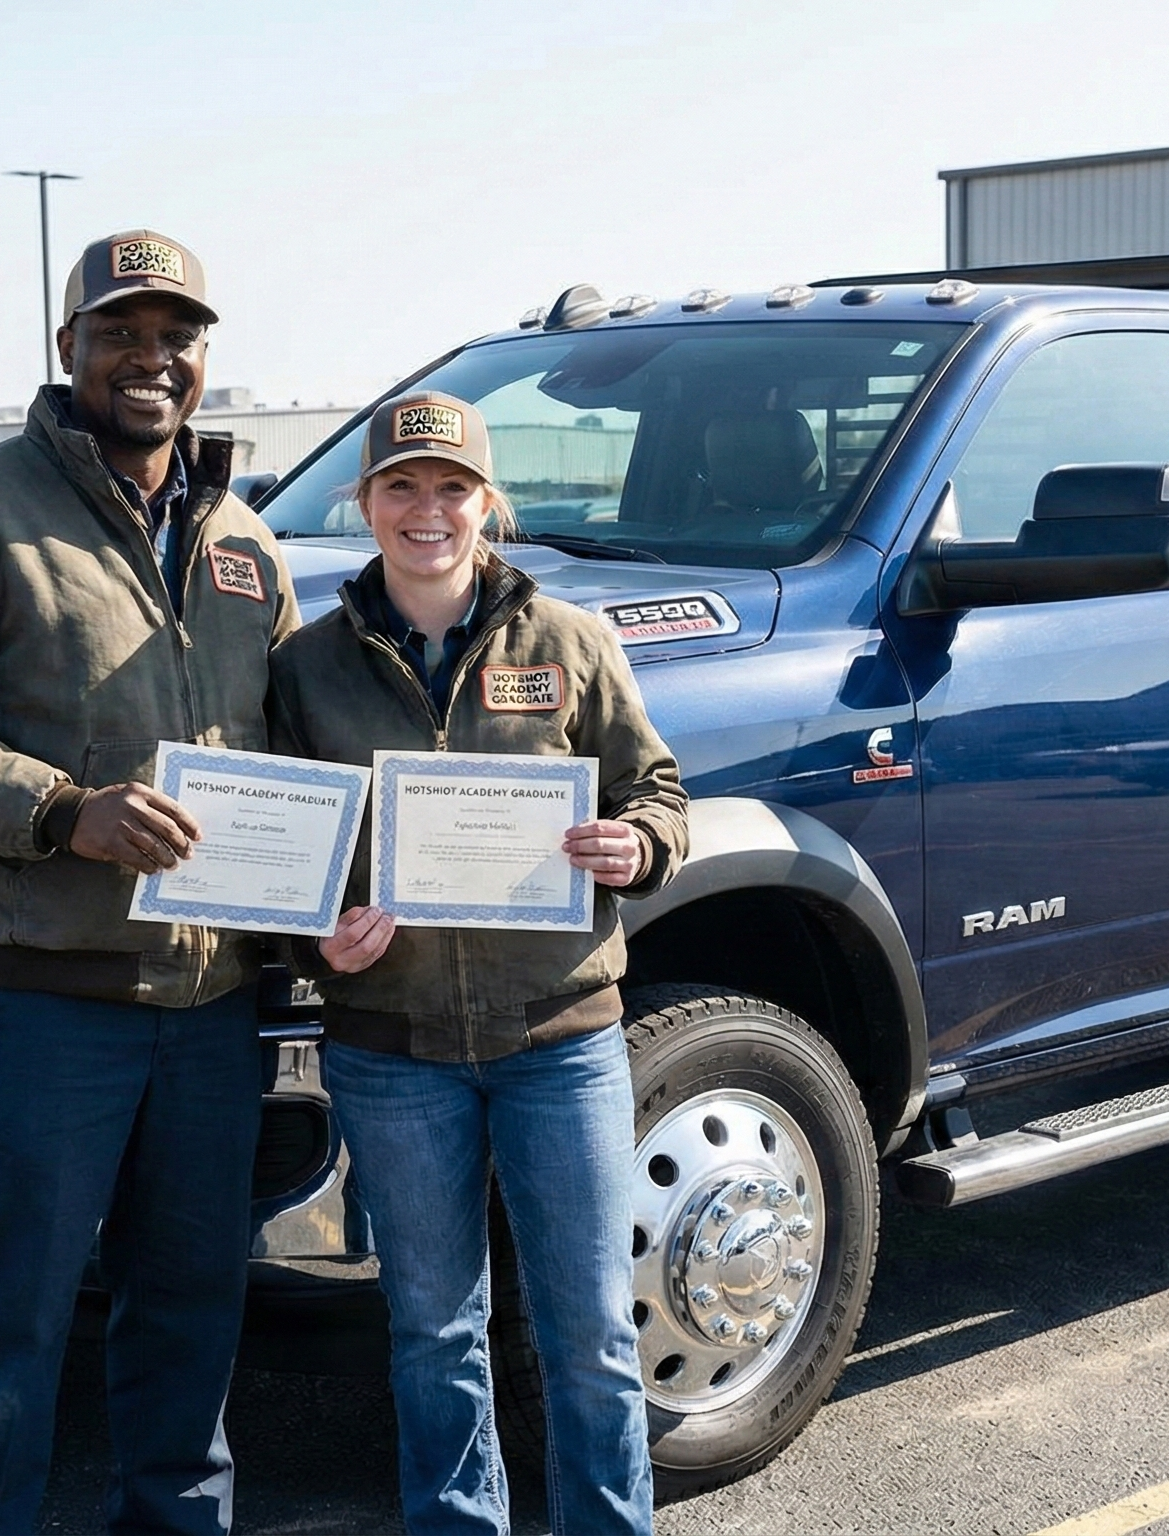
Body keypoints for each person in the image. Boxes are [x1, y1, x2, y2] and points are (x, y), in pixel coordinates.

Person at [0, 229, 301, 1536]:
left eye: (178, 337)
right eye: (122, 333)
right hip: (39, 1006)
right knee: (7, 1327)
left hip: (211, 1010)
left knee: (193, 1318)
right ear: (68, 350)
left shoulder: (245, 544)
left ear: (204, 359)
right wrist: (59, 812)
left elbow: (299, 755)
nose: (153, 359)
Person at [268, 392, 687, 1536]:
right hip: (390, 1051)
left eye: (450, 487)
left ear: (486, 503)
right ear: (365, 504)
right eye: (400, 487)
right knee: (430, 1331)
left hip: (560, 1043)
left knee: (592, 1333)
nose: (426, 510)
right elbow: (286, 846)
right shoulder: (305, 666)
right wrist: (316, 933)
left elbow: (655, 789)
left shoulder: (570, 642)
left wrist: (636, 843)